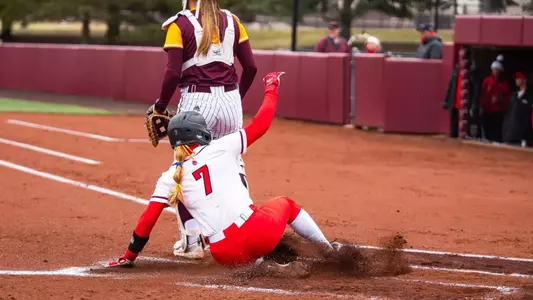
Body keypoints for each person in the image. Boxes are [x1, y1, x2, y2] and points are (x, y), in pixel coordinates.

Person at [108, 72, 337, 270]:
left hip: (225, 253)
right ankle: (328, 252)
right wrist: (271, 86)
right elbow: (262, 123)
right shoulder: (221, 146)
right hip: (257, 232)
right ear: (200, 133)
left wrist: (129, 255)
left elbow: (147, 219)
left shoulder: (170, 176)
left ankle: (263, 266)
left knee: (242, 247)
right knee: (287, 203)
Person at [149, 0, 258, 259]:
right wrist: (235, 98)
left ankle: (192, 243)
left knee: (186, 168)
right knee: (232, 163)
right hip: (231, 100)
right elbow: (251, 67)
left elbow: (173, 73)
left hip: (198, 101)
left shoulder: (180, 23)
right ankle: (245, 231)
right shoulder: (233, 20)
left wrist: (160, 106)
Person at [480, 57, 511, 142]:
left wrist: (499, 100)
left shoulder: (504, 84)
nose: (495, 71)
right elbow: (482, 94)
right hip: (487, 110)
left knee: (497, 131)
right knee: (487, 130)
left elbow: (507, 98)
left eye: (497, 69)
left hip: (498, 111)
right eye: (494, 69)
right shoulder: (487, 81)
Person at [502, 72, 533, 147]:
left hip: (523, 137)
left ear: (524, 80)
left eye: (518, 78)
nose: (516, 80)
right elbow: (508, 114)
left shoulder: (530, 97)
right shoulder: (513, 95)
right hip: (510, 134)